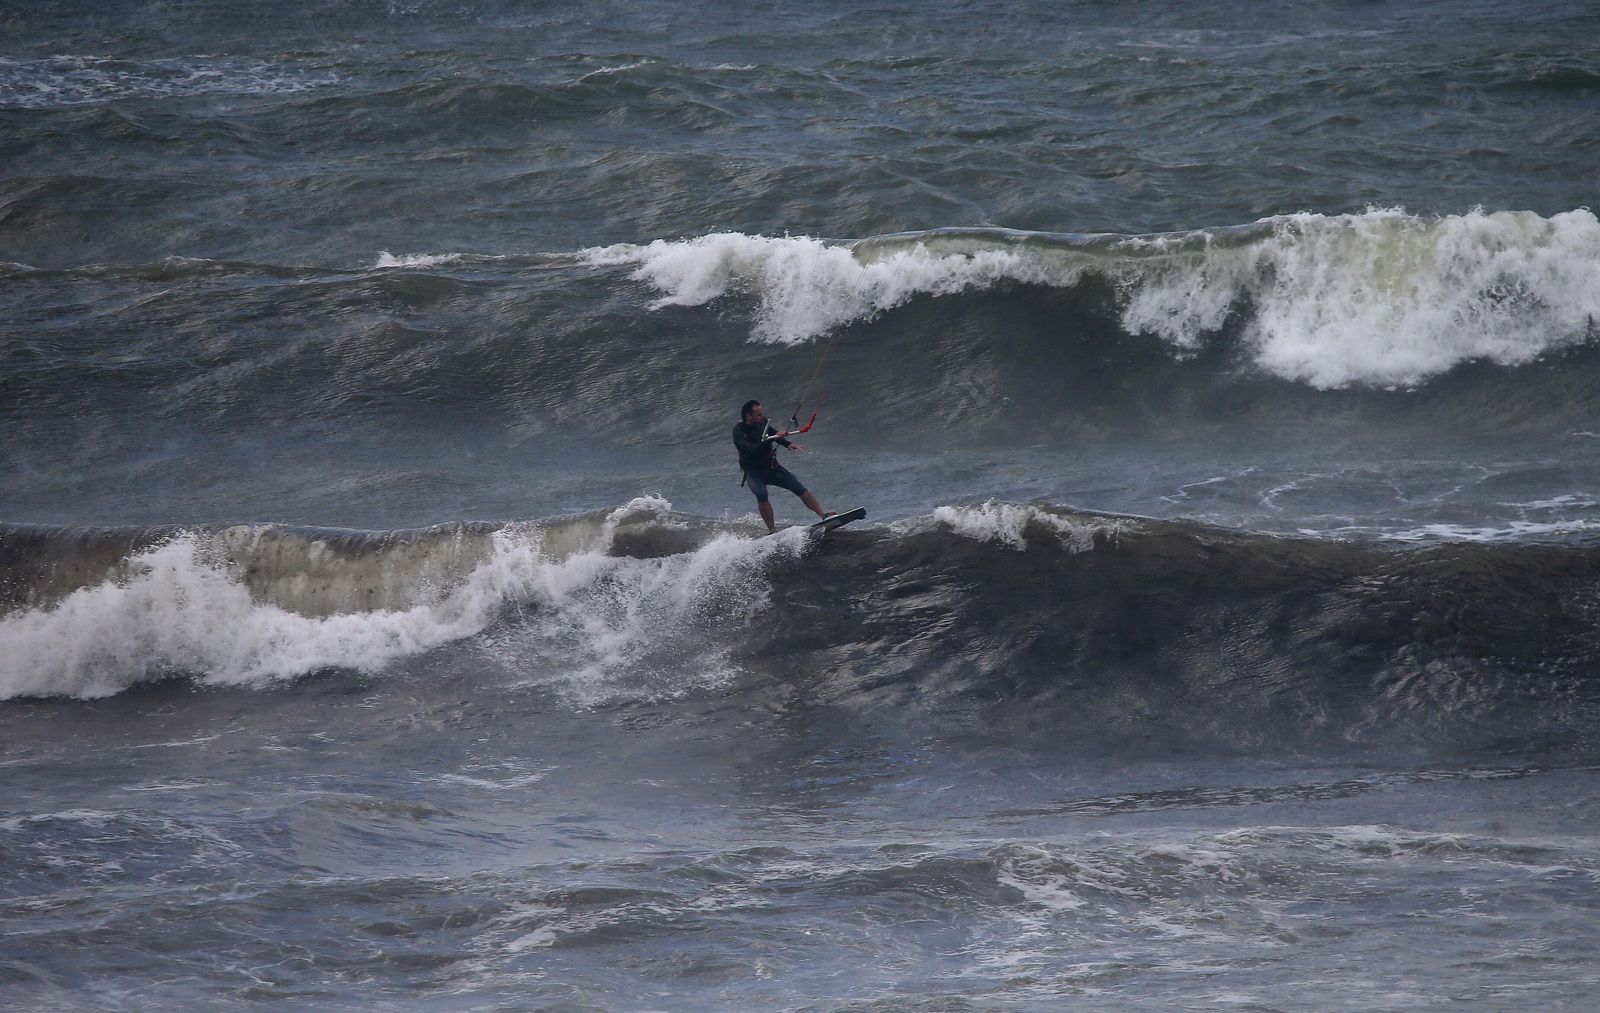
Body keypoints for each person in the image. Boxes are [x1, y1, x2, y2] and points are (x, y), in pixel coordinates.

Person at [732, 399, 830, 533]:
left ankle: (823, 516)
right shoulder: (738, 431)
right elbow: (751, 450)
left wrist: (788, 444)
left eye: (762, 413)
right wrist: (771, 439)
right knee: (762, 495)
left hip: (772, 467)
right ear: (749, 416)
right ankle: (772, 531)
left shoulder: (763, 422)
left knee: (800, 488)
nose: (762, 417)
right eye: (758, 414)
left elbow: (774, 434)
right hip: (754, 473)